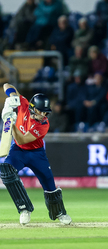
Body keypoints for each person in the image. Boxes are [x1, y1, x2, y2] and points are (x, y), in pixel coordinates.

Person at [0, 83, 72, 225]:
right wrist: (13, 97)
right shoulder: (24, 104)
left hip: (36, 154)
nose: (43, 115)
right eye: (41, 111)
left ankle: (59, 213)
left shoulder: (43, 125)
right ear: (32, 108)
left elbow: (23, 138)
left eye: (46, 112)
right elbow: (6, 85)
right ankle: (24, 209)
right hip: (18, 151)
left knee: (49, 185)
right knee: (6, 171)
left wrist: (11, 123)